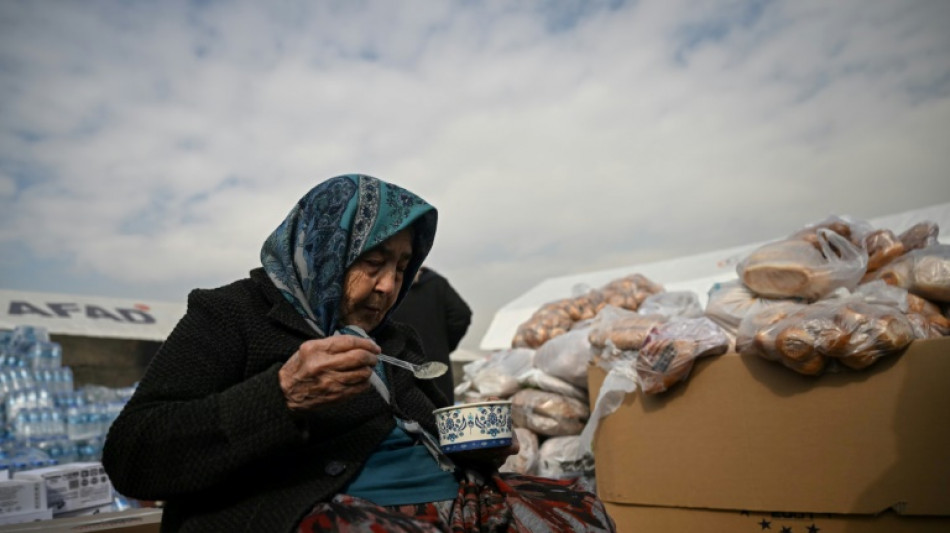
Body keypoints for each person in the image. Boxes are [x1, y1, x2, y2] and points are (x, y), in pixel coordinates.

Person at [101, 174, 616, 533]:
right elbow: (132, 455)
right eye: (372, 263)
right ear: (324, 249)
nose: (388, 286)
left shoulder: (395, 341)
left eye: (402, 266)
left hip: (449, 501)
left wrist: (474, 450)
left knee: (580, 511)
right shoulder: (232, 316)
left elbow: (426, 430)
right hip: (337, 512)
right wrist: (281, 397)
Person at [390, 265, 472, 403]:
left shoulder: (389, 286)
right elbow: (461, 315)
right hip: (436, 367)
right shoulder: (436, 283)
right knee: (441, 415)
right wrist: (442, 346)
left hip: (399, 367)